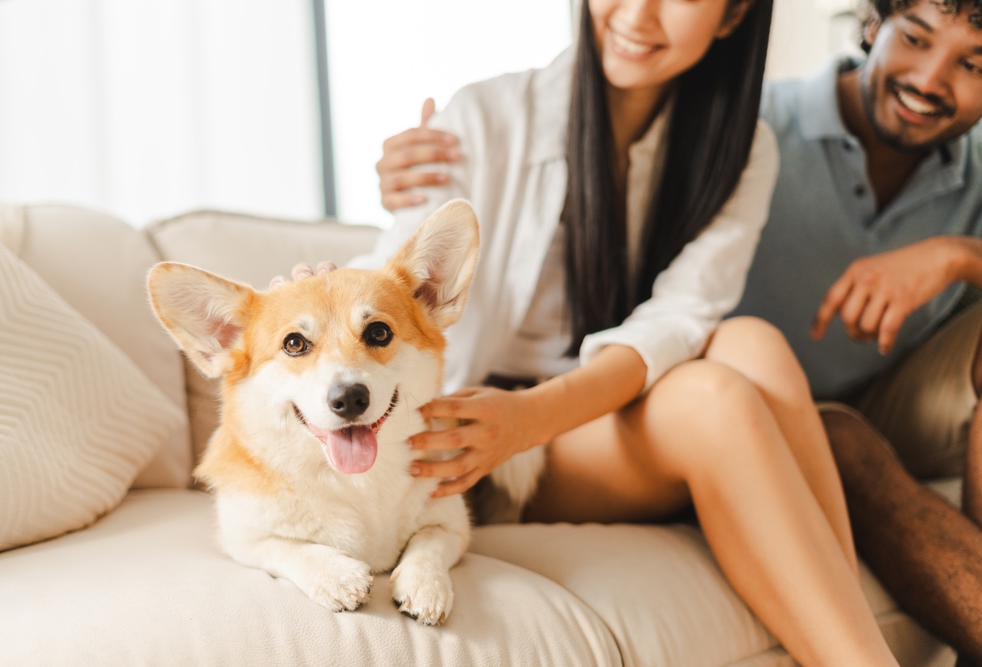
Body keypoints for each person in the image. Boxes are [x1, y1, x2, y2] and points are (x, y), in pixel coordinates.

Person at [294, 0, 911, 663]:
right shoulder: (484, 119)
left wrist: (533, 416)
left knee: (750, 341)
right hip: (479, 439)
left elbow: (684, 314)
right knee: (715, 398)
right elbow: (399, 265)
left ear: (733, 17)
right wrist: (327, 297)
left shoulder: (742, 148)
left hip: (564, 418)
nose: (638, 14)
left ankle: (851, 636)